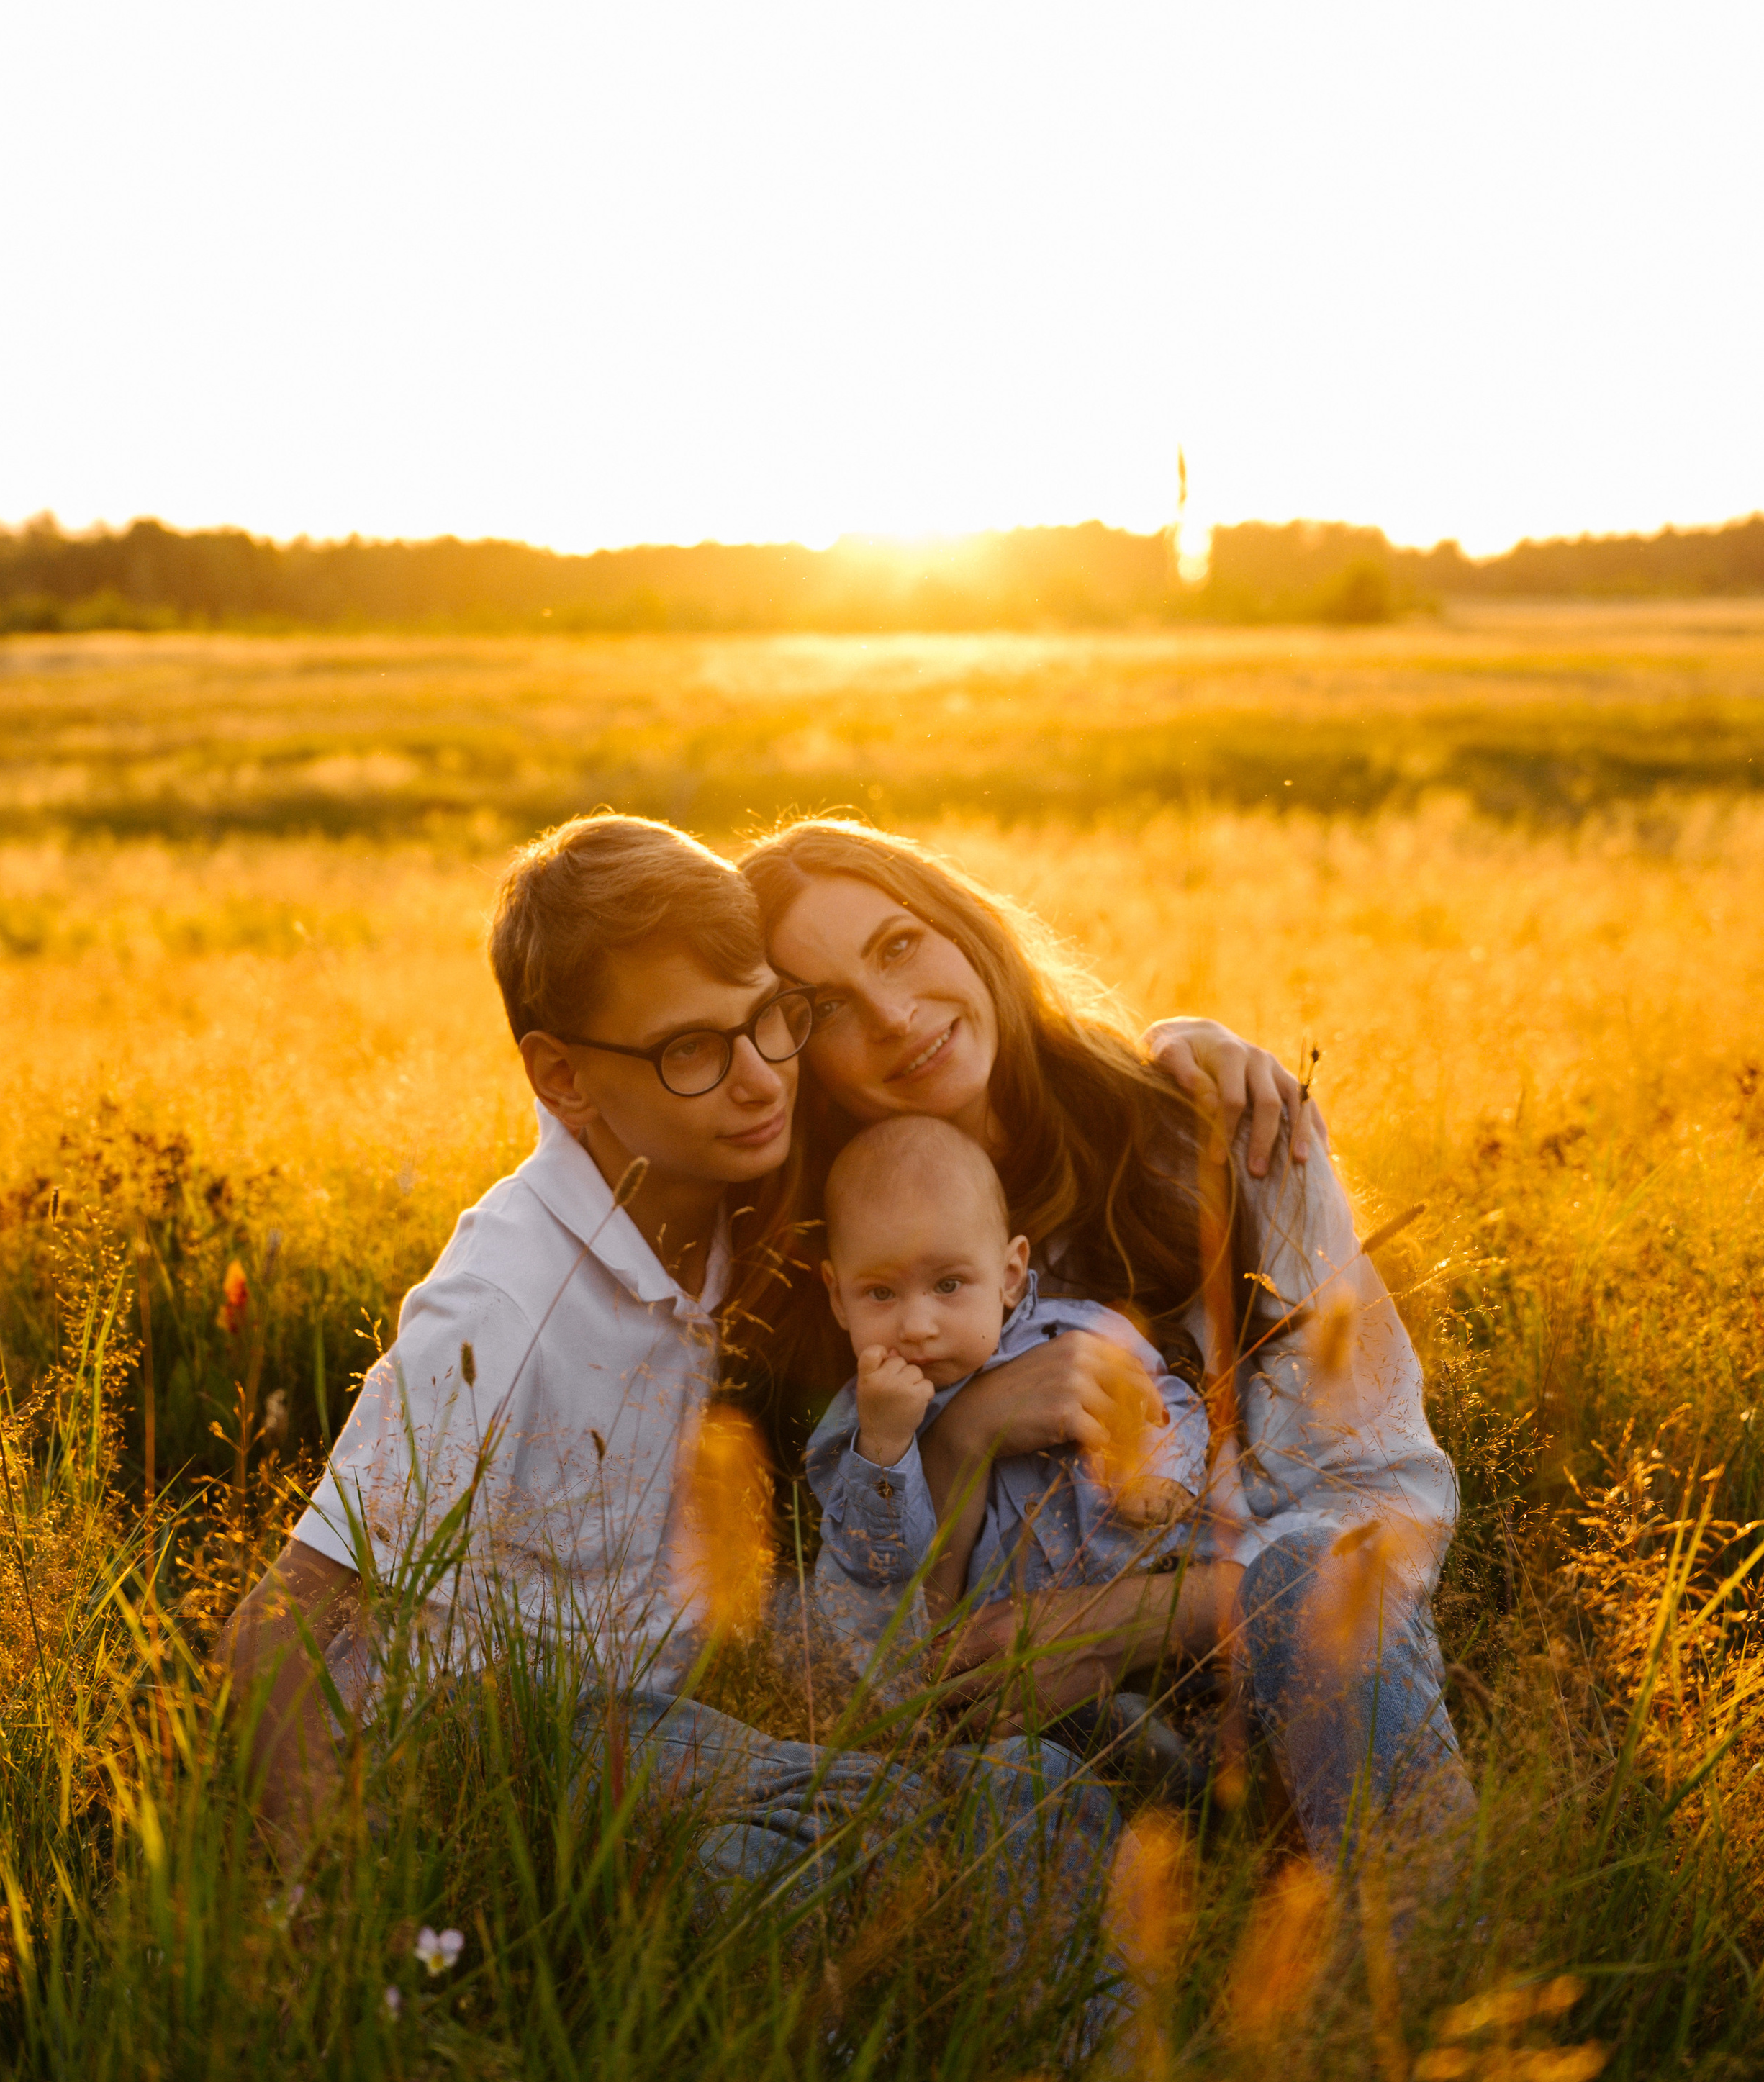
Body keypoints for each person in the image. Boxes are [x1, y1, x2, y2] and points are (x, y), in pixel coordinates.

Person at [216, 813, 1123, 1928]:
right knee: (870, 1836)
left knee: (1043, 1788)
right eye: (692, 1049)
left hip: (679, 1708)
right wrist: (340, 1925)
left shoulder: (749, 1187)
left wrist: (1179, 1050)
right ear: (563, 1077)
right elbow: (280, 1628)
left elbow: (957, 1122)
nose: (760, 1081)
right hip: (500, 1733)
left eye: (770, 1020)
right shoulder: (502, 1306)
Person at [736, 818, 1478, 1873]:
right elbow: (860, 1659)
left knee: (1316, 1583)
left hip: (1292, 1692)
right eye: (826, 1008)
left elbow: (1385, 1498)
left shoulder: (1226, 1134)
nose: (895, 1017)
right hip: (1038, 1754)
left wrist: (1133, 1617)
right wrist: (960, 1440)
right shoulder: (836, 1281)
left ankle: (1434, 1969)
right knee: (1006, 1795)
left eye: (899, 944)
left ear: (967, 928)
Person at [806, 1112, 1211, 1673]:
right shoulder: (858, 1427)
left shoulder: (1074, 1335)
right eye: (879, 1292)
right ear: (836, 1297)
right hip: (1003, 1678)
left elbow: (1169, 1398)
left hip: (1149, 1627)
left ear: (1011, 1272)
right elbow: (877, 1573)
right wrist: (886, 1448)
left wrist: (1164, 1470)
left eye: (949, 1284)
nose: (917, 1324)